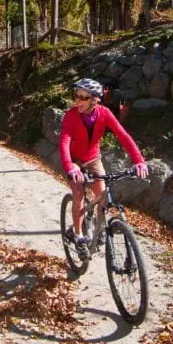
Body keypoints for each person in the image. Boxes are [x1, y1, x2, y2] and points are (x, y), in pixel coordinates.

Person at [59, 77, 148, 243]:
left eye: (82, 97)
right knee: (78, 194)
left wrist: (139, 161)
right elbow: (64, 141)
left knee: (102, 196)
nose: (77, 101)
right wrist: (70, 166)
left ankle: (98, 230)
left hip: (93, 159)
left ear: (95, 100)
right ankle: (78, 236)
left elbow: (123, 136)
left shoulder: (104, 113)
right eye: (76, 96)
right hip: (74, 161)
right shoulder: (71, 116)